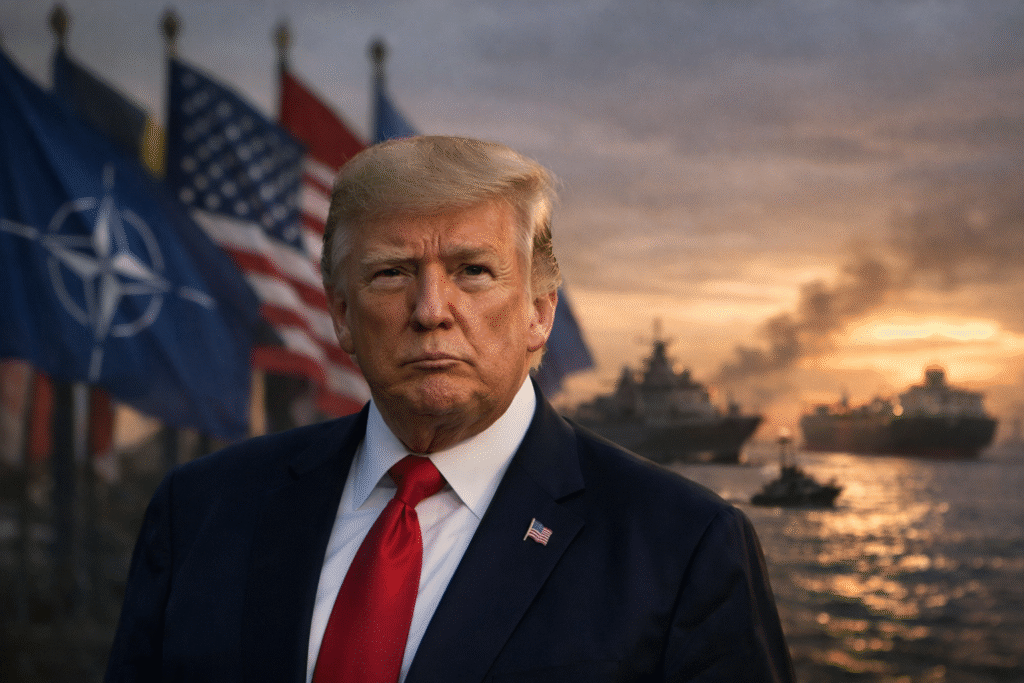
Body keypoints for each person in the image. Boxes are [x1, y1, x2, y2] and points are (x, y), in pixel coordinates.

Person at [105, 135, 795, 682]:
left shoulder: (684, 547)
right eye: (391, 272)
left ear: (538, 313)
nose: (432, 311)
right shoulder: (199, 511)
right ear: (342, 316)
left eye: (473, 270)